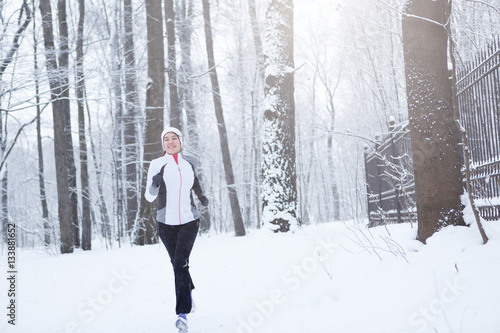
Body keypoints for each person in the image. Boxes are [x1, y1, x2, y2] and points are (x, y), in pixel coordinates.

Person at [144, 127, 208, 332]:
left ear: (180, 141)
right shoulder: (157, 164)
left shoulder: (191, 161)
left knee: (180, 263)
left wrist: (201, 196)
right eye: (166, 139)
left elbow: (195, 181)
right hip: (166, 224)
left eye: (174, 138)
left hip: (190, 221)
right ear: (163, 144)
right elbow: (149, 196)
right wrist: (154, 184)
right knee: (178, 264)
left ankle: (182, 314)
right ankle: (188, 291)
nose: (170, 142)